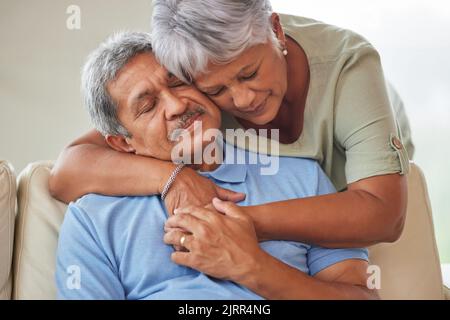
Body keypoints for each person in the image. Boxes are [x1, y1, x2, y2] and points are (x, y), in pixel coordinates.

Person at [50, 0, 413, 250]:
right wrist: (173, 178)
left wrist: (231, 221)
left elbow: (384, 215)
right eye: (216, 89)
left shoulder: (349, 65)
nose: (242, 100)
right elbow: (68, 169)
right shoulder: (189, 89)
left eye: (249, 73)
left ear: (276, 31)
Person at [56, 32, 375, 299]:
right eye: (149, 106)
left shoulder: (301, 176)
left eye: (179, 83)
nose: (177, 105)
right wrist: (173, 177)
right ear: (123, 143)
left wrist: (253, 266)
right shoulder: (92, 218)